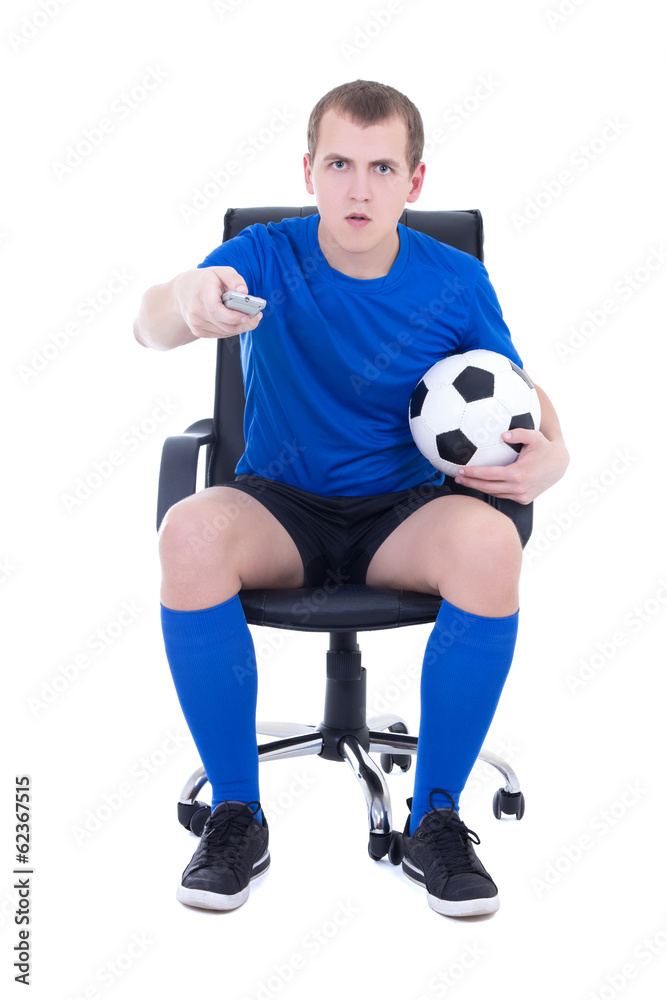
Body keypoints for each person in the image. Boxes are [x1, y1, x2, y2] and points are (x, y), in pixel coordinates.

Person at [133, 79, 569, 918]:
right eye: (339, 163)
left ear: (415, 181)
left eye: (380, 167)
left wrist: (556, 448)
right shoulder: (264, 253)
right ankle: (235, 813)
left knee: (488, 546)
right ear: (309, 171)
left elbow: (513, 388)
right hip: (279, 507)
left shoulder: (456, 280)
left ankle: (435, 819)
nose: (358, 188)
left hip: (403, 514)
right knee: (189, 534)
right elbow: (152, 321)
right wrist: (186, 302)